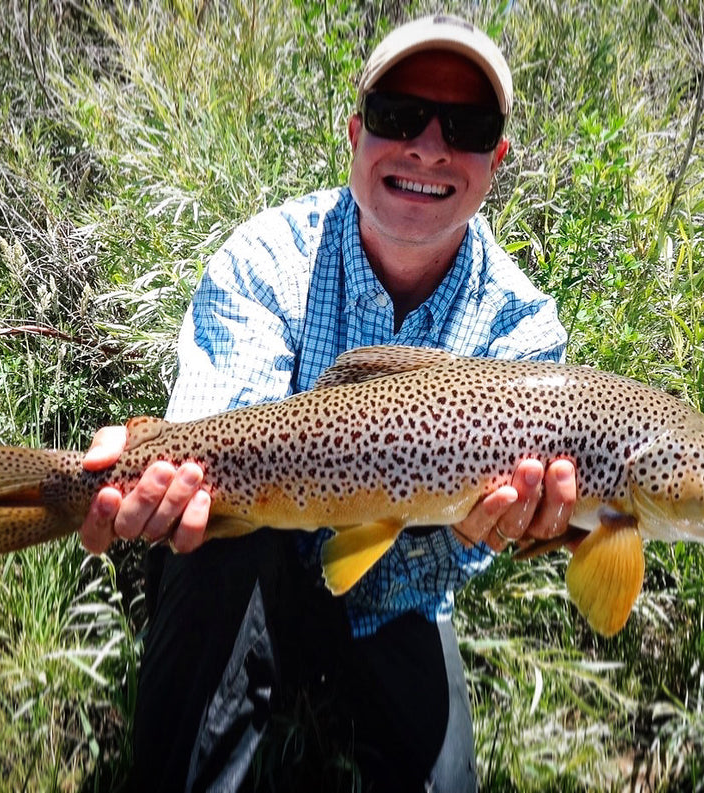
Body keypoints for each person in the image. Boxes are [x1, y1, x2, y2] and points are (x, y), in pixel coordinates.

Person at [80, 14, 578, 792]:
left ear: (495, 159)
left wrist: (524, 529)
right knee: (213, 547)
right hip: (249, 562)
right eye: (398, 116)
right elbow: (223, 432)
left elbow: (487, 533)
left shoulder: (522, 330)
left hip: (397, 585)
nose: (429, 145)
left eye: (468, 126)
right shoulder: (269, 257)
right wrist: (149, 464)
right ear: (356, 132)